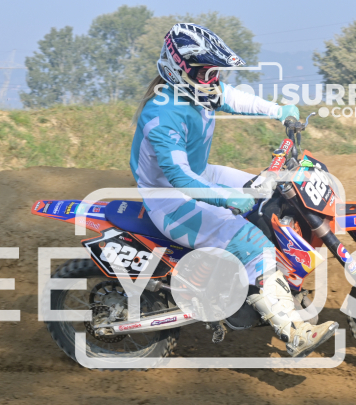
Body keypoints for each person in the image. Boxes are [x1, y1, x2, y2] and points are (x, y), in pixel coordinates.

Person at [130, 23, 337, 358]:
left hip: (201, 174)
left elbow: (232, 98)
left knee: (271, 198)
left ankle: (267, 285)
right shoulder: (162, 113)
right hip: (169, 199)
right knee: (252, 240)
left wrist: (279, 111)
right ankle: (293, 332)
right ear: (179, 68)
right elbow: (180, 177)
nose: (213, 80)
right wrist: (226, 198)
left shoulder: (199, 89)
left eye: (216, 73)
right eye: (206, 72)